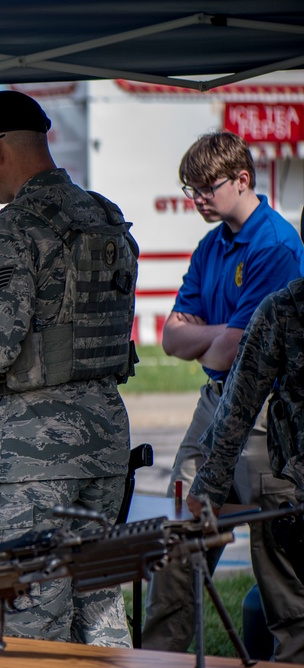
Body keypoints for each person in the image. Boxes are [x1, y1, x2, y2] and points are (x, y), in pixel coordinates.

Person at [0, 90, 138, 647]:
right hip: (103, 440)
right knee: (99, 609)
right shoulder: (106, 218)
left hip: (31, 455)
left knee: (27, 617)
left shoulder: (12, 231)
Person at [142, 131, 304, 658]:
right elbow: (171, 337)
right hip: (213, 405)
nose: (197, 200)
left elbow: (235, 353)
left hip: (265, 416)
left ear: (243, 179)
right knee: (180, 540)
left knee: (277, 563)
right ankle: (161, 657)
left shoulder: (276, 245)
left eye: (206, 188)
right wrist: (217, 335)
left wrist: (209, 336)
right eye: (189, 190)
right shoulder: (212, 246)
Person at [186, 278, 304, 662]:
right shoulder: (283, 308)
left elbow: (237, 408)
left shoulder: (284, 307)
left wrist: (207, 493)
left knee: (296, 630)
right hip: (293, 502)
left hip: (293, 496)